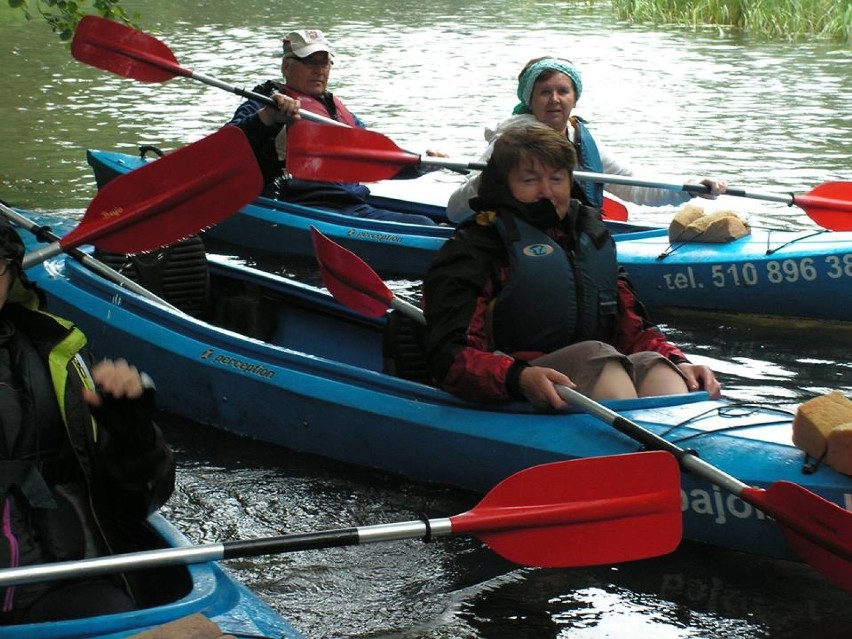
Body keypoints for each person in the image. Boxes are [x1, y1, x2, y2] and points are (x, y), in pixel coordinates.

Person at [423, 122, 721, 410]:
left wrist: (680, 360)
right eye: (529, 180)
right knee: (602, 360)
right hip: (513, 383)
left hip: (591, 373)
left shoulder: (590, 237)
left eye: (556, 179)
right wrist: (518, 377)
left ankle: (677, 444)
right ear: (504, 186)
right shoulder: (475, 247)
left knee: (659, 369)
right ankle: (631, 453)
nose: (546, 192)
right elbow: (450, 357)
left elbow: (632, 327)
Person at [0, 220, 175, 624]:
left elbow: (136, 504)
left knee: (111, 612)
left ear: (12, 274)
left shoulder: (58, 362)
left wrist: (134, 436)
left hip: (66, 590)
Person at [447, 57, 728, 223]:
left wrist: (691, 189)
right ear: (529, 100)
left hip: (569, 237)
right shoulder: (507, 144)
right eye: (544, 92)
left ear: (575, 99)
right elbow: (455, 210)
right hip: (513, 240)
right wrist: (490, 177)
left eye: (563, 91)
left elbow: (636, 186)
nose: (554, 100)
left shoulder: (582, 141)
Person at [229, 29, 441, 225]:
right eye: (309, 62)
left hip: (350, 205)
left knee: (425, 222)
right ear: (286, 67)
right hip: (296, 208)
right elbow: (227, 147)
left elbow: (374, 161)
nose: (318, 70)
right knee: (424, 225)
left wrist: (423, 164)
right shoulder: (263, 104)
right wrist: (267, 117)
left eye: (324, 63)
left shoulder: (341, 116)